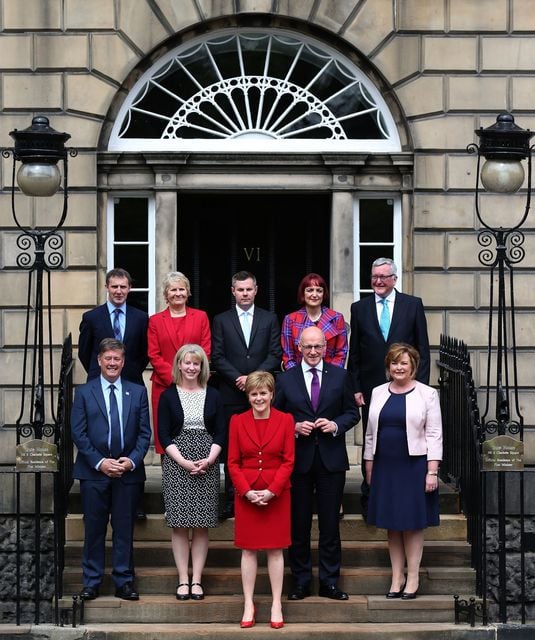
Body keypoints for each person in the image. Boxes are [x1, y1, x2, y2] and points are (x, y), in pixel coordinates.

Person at [274, 326, 359, 601]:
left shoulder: (341, 375)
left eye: (318, 347)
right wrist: (294, 426)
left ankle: (329, 582)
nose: (313, 352)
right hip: (297, 461)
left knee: (330, 526)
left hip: (331, 460)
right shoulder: (286, 380)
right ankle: (300, 582)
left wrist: (335, 425)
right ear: (299, 347)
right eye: (308, 347)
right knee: (298, 526)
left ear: (326, 347)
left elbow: (352, 413)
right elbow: (275, 416)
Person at [348, 257, 430, 519]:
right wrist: (356, 386)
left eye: (384, 277)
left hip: (408, 387)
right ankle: (369, 492)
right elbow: (356, 352)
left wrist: (422, 388)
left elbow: (423, 349)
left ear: (394, 279)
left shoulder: (412, 305)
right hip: (373, 387)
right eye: (374, 277)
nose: (378, 281)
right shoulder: (359, 308)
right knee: (372, 438)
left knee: (403, 437)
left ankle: (402, 490)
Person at [71, 338, 151, 602]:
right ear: (99, 361)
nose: (113, 363)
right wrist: (100, 462)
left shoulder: (137, 392)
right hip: (93, 472)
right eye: (108, 359)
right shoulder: (84, 392)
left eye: (117, 359)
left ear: (123, 362)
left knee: (124, 529)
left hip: (127, 473)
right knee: (94, 529)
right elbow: (78, 433)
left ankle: (124, 581)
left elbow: (143, 434)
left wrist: (131, 461)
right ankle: (91, 582)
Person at [364, 343, 442, 600]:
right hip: (385, 464)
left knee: (411, 523)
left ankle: (414, 576)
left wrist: (432, 471)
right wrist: (368, 466)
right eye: (394, 363)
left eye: (404, 363)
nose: (399, 367)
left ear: (413, 367)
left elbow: (433, 433)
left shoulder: (427, 394)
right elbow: (370, 433)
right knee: (392, 524)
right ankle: (397, 576)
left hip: (413, 465)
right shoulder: (377, 392)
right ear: (388, 367)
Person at [211, 271, 282, 519]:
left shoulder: (269, 318)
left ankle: (263, 491)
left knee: (262, 444)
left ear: (256, 290)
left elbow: (275, 353)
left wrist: (253, 378)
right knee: (234, 447)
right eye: (240, 289)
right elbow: (217, 355)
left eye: (248, 289)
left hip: (261, 391)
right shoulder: (221, 320)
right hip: (231, 391)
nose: (244, 293)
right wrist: (238, 378)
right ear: (233, 291)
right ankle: (233, 498)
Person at [157, 344, 225, 601]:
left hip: (207, 460)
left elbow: (221, 432)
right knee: (179, 524)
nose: (191, 367)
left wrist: (209, 459)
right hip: (177, 461)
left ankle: (197, 579)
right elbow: (163, 434)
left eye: (196, 363)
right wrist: (183, 462)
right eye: (187, 363)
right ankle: (182, 580)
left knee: (201, 526)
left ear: (202, 366)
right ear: (179, 365)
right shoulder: (168, 395)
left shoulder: (214, 395)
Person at [228, 371, 294, 629]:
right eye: (254, 394)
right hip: (247, 495)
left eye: (263, 393)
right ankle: (248, 602)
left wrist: (272, 490)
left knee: (276, 549)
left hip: (276, 494)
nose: (259, 398)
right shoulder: (236, 421)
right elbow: (233, 462)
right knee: (248, 550)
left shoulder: (286, 420)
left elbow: (289, 461)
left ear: (271, 394)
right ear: (248, 395)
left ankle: (276, 603)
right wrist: (246, 491)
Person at [148, 271, 211, 454]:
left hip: (195, 383)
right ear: (166, 293)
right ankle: (170, 477)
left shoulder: (200, 317)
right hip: (164, 383)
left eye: (182, 289)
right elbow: (153, 354)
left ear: (188, 292)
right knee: (166, 431)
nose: (178, 293)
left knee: (195, 426)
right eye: (173, 289)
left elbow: (205, 349)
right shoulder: (155, 321)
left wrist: (191, 373)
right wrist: (176, 377)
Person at [78, 268, 149, 386]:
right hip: (99, 382)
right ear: (107, 287)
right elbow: (84, 353)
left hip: (132, 381)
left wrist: (130, 369)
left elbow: (145, 352)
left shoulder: (141, 318)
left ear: (129, 288)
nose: (119, 291)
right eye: (114, 287)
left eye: (123, 287)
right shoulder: (91, 317)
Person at [281, 272, 347, 371]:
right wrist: (297, 377)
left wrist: (331, 376)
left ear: (324, 294)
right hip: (299, 376)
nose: (314, 295)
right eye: (310, 290)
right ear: (303, 293)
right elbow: (288, 355)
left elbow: (341, 352)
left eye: (319, 291)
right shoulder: (290, 320)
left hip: (329, 375)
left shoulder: (337, 318)